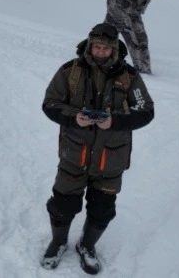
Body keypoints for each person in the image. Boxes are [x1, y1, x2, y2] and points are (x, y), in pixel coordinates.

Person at [40, 23, 155, 274]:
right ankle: (58, 241)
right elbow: (50, 103)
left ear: (114, 49)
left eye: (105, 48)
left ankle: (87, 245)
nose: (100, 51)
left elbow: (146, 111)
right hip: (74, 154)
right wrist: (74, 117)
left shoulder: (129, 76)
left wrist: (115, 121)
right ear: (90, 45)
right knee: (62, 205)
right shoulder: (70, 71)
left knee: (102, 210)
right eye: (97, 46)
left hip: (111, 158)